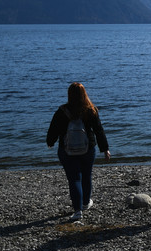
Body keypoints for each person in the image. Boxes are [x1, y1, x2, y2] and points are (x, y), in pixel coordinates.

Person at [47, 82, 111, 221]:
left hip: (67, 150)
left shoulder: (62, 111)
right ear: (84, 93)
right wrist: (105, 149)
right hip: (88, 149)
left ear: (69, 94)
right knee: (86, 176)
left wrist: (50, 142)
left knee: (74, 178)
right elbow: (99, 131)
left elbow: (53, 129)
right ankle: (86, 203)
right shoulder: (91, 110)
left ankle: (77, 211)